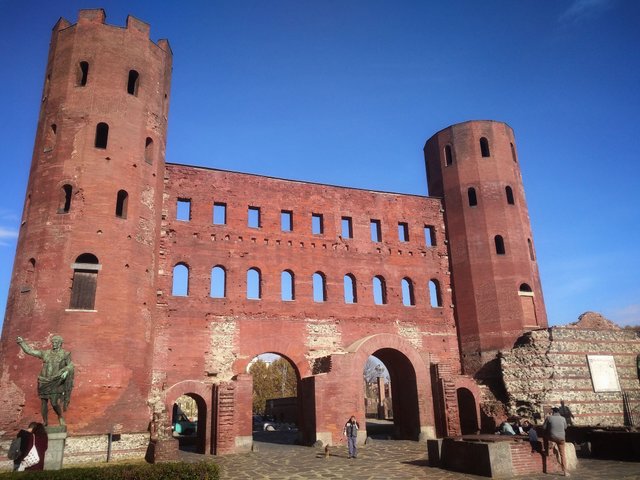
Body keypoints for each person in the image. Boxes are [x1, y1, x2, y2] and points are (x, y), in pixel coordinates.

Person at [16, 335, 74, 426]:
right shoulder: (45, 353)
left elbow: (70, 365)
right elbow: (30, 351)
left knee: (54, 402)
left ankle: (60, 416)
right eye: (53, 342)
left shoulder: (65, 354)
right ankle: (45, 421)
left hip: (56, 380)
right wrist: (21, 342)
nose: (54, 344)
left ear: (60, 343)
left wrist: (66, 371)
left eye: (56, 342)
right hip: (43, 380)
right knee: (43, 402)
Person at [543, 407, 569, 476]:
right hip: (561, 438)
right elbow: (565, 427)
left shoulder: (549, 418)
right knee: (562, 455)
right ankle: (565, 472)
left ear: (553, 412)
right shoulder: (563, 418)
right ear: (559, 412)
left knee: (544, 436)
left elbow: (544, 428)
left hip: (552, 437)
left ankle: (546, 450)